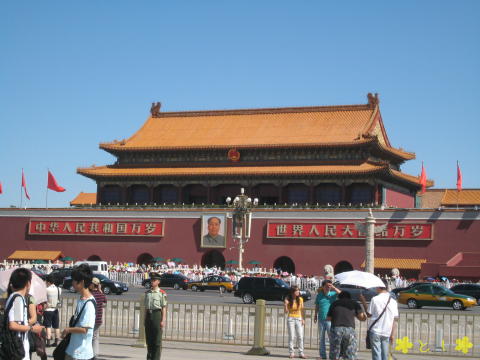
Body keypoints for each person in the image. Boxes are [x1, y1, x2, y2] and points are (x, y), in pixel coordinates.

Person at [6, 268, 44, 360]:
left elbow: (17, 323)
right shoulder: (18, 299)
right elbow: (13, 325)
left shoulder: (12, 297)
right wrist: (32, 328)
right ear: (28, 283)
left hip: (14, 347)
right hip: (18, 349)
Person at [62, 264, 96, 360]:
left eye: (74, 280)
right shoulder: (81, 299)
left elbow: (84, 330)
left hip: (81, 353)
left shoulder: (89, 304)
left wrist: (68, 330)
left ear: (81, 282)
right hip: (73, 349)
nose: (72, 282)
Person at [360, 288, 398, 360]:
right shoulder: (393, 302)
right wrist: (393, 334)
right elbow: (394, 319)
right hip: (387, 331)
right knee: (385, 355)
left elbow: (369, 314)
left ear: (379, 288)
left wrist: (363, 301)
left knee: (376, 354)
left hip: (375, 330)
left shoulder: (375, 299)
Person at [327, 291, 366, 360]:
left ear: (339, 297)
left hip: (336, 329)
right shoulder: (354, 303)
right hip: (349, 330)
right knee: (350, 353)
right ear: (349, 297)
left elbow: (328, 318)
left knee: (335, 352)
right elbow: (362, 318)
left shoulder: (334, 303)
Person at [314, 280, 341, 360]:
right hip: (321, 319)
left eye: (330, 285)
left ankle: (333, 356)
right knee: (321, 338)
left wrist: (334, 287)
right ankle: (322, 355)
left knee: (332, 338)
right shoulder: (319, 295)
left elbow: (342, 294)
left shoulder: (333, 294)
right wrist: (315, 315)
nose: (329, 287)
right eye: (327, 285)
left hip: (330, 320)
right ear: (323, 286)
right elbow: (317, 306)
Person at [144, 272, 167, 360]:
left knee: (157, 341)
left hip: (157, 315)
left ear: (158, 282)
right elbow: (146, 308)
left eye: (154, 280)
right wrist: (144, 319)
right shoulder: (147, 293)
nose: (152, 282)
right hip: (149, 316)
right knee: (149, 340)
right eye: (151, 280)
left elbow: (164, 308)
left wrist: (163, 320)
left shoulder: (161, 293)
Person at [284, 286, 306, 359]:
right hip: (291, 319)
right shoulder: (288, 299)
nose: (298, 292)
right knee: (292, 336)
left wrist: (303, 319)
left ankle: (301, 353)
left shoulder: (300, 299)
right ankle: (291, 353)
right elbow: (286, 311)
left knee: (300, 336)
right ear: (292, 292)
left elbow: (302, 310)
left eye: (298, 291)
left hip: (299, 318)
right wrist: (286, 304)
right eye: (296, 291)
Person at [89, 277, 107, 359]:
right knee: (95, 337)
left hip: (91, 319)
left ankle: (90, 354)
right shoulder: (101, 294)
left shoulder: (91, 294)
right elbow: (105, 301)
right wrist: (100, 290)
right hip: (99, 319)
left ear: (93, 284)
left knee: (90, 337)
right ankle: (95, 354)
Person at [44, 274, 61, 347]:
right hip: (56, 309)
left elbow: (45, 299)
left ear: (48, 282)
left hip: (48, 309)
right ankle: (56, 342)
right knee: (56, 326)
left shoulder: (46, 289)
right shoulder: (59, 289)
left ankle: (48, 342)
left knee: (48, 326)